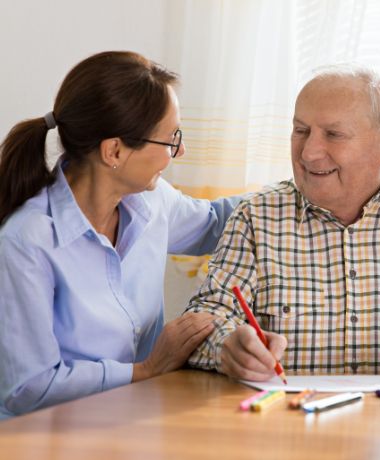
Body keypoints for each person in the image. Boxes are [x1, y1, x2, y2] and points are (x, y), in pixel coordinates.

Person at [186, 63, 380, 389]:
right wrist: (225, 347)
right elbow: (205, 320)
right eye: (301, 130)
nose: (309, 152)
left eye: (333, 135)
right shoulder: (255, 218)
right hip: (283, 427)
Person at [0, 51, 241, 418]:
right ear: (114, 151)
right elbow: (29, 388)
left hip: (130, 421)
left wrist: (299, 187)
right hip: (42, 440)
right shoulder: (27, 242)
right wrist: (146, 369)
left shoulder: (151, 202)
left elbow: (216, 223)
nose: (180, 150)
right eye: (171, 139)